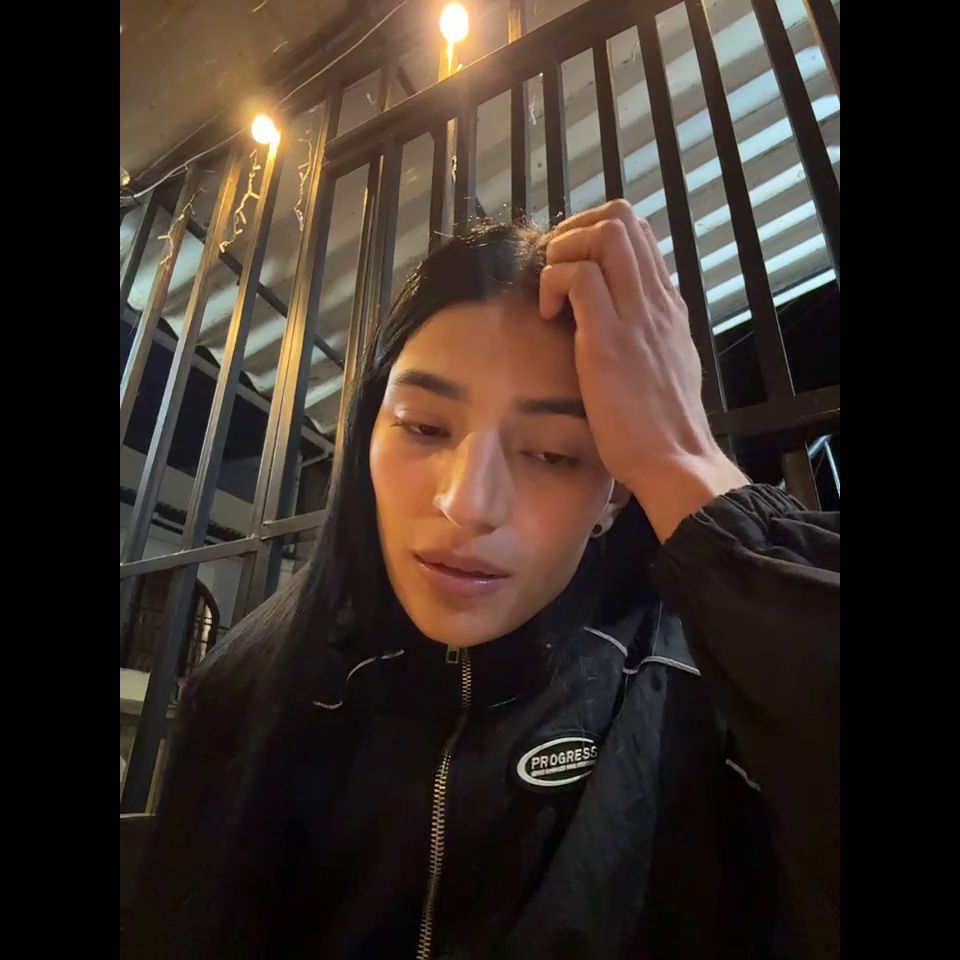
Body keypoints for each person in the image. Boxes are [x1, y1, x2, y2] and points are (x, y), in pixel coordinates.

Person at [126, 201, 839, 959]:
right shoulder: (249, 684)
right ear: (368, 435)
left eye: (554, 454)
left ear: (615, 497)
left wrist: (684, 460)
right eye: (425, 427)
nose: (467, 503)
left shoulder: (711, 690)